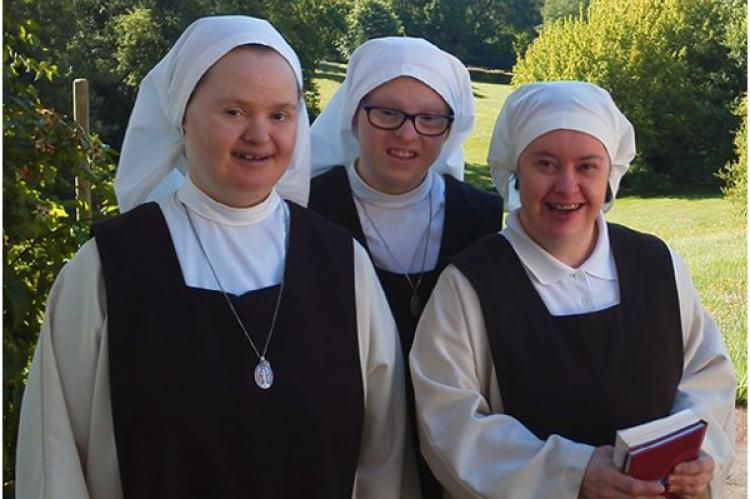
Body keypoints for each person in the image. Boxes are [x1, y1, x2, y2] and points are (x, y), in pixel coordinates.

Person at [16, 16, 418, 499]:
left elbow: (384, 457)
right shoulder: (110, 267)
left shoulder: (341, 264)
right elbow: (54, 454)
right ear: (183, 116)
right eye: (233, 111)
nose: (259, 135)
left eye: (279, 115)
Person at [410, 81, 736, 498]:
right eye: (545, 164)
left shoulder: (656, 264)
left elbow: (708, 375)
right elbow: (449, 426)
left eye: (587, 166)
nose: (567, 187)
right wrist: (572, 473)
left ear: (610, 172)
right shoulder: (469, 287)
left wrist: (700, 456)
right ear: (515, 169)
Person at [307, 36, 504, 497]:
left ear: (448, 128)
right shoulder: (307, 213)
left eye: (429, 118)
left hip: (460, 457)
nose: (408, 133)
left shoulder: (482, 217)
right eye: (388, 112)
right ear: (355, 114)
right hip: (347, 456)